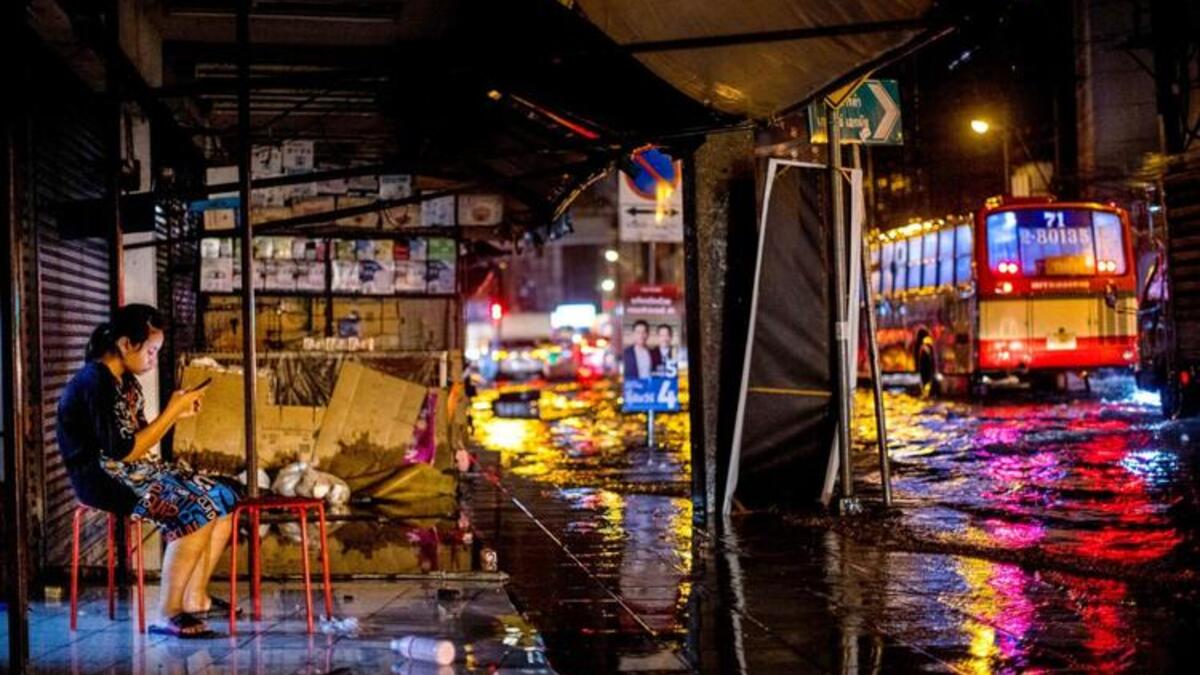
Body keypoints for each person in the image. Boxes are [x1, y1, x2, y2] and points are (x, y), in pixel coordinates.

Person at [56, 304, 239, 639]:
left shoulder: (124, 382)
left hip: (134, 470)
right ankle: (168, 613)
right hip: (103, 478)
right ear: (127, 344)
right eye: (152, 351)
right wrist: (171, 411)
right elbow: (123, 451)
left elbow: (141, 440)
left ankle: (195, 597)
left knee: (224, 493)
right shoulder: (94, 381)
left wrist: (177, 414)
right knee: (193, 506)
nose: (154, 360)